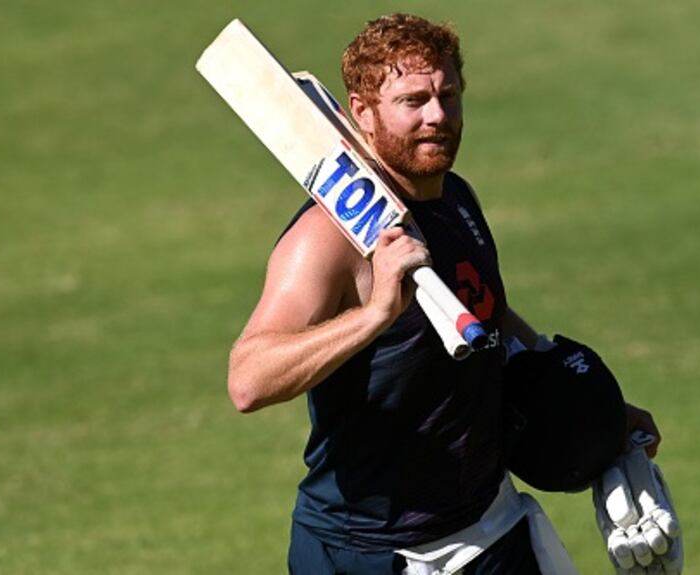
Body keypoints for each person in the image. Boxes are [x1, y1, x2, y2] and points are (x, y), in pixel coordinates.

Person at [226, 13, 660, 574]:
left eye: (448, 95)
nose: (437, 117)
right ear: (362, 112)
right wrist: (377, 312)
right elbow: (248, 378)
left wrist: (597, 417)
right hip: (370, 552)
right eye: (412, 101)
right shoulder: (325, 240)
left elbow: (485, 318)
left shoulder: (455, 197)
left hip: (488, 527)